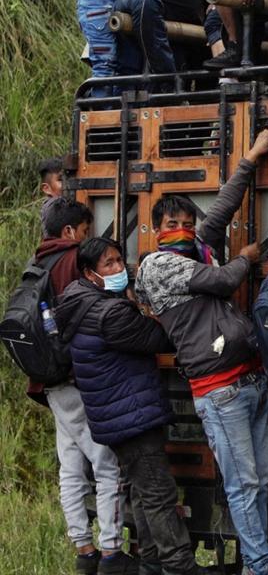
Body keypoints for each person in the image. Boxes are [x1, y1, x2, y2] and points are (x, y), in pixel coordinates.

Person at [133, 129, 268, 575]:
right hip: (220, 390)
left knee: (265, 477)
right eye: (170, 224)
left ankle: (259, 559)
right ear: (156, 231)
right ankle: (260, 564)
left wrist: (250, 160)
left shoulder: (199, 248)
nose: (180, 229)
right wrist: (247, 258)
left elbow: (221, 208)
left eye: (184, 221)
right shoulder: (158, 266)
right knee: (244, 482)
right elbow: (220, 282)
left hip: (250, 378)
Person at [55, 238, 192, 575]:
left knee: (145, 495)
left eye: (119, 260)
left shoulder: (78, 303)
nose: (119, 269)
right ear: (90, 274)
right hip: (132, 417)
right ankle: (179, 566)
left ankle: (150, 562)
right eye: (109, 265)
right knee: (158, 494)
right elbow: (161, 339)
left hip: (116, 418)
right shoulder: (110, 312)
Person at [33, 201, 135, 575]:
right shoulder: (71, 261)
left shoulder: (37, 263)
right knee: (107, 464)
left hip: (50, 381)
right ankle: (111, 551)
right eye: (86, 231)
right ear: (70, 233)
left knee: (71, 468)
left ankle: (84, 548)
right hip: (79, 379)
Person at [38, 156, 65, 233]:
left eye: (67, 178)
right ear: (46, 188)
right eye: (60, 179)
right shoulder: (53, 206)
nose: (66, 183)